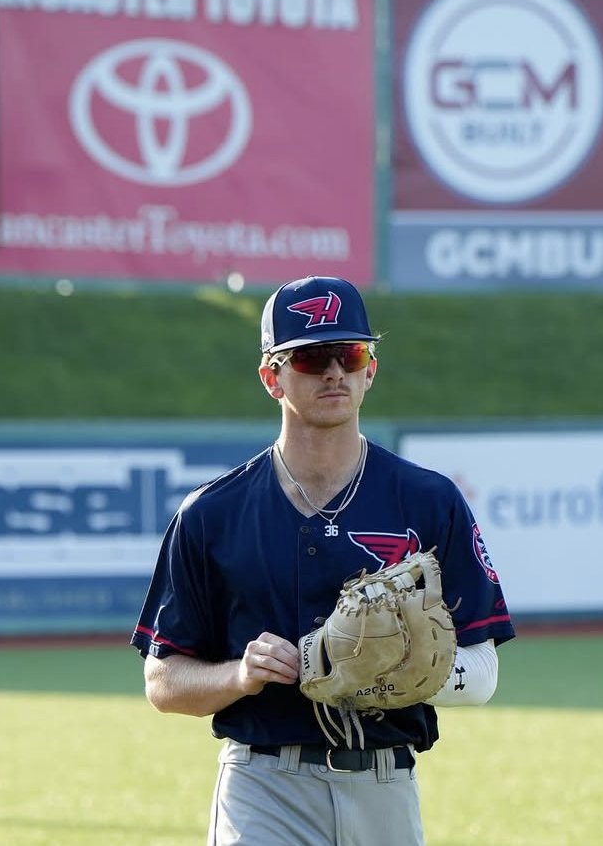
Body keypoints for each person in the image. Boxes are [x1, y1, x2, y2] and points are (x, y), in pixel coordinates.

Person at [131, 275, 515, 846]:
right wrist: (239, 675)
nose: (334, 371)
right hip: (264, 783)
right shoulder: (212, 513)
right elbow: (163, 680)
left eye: (350, 352)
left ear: (370, 370)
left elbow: (481, 673)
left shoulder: (430, 499)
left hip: (385, 779)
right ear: (272, 377)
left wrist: (393, 669)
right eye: (311, 358)